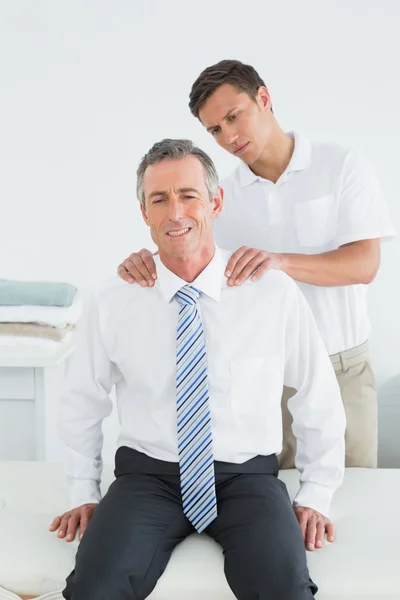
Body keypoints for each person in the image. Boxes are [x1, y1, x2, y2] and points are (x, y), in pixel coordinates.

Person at [51, 139, 345, 600]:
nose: (175, 213)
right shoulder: (114, 299)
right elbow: (81, 401)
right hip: (149, 478)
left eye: (188, 195)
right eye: (159, 199)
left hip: (246, 478)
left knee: (286, 590)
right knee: (93, 588)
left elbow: (316, 393)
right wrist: (82, 491)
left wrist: (316, 493)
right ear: (143, 212)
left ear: (216, 201)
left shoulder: (270, 292)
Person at [117, 60, 395, 469]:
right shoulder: (223, 196)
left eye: (234, 117)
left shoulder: (341, 166)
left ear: (263, 99)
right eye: (214, 130)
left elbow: (364, 264)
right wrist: (146, 262)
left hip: (341, 370)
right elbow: (191, 256)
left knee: (350, 498)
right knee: (277, 499)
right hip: (265, 376)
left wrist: (279, 262)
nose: (228, 137)